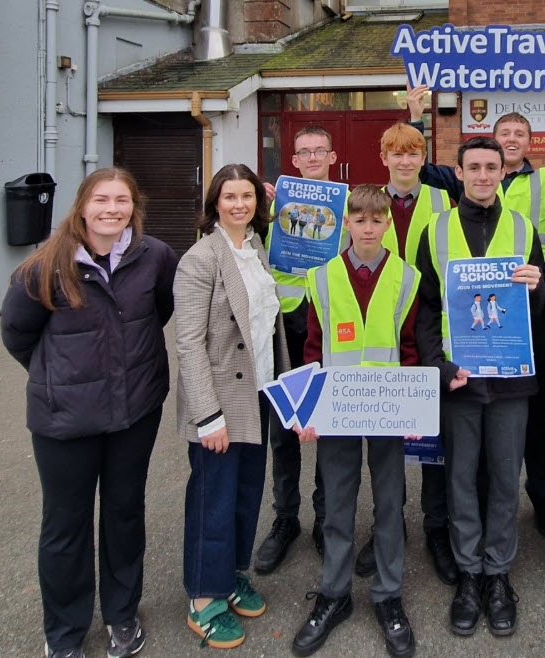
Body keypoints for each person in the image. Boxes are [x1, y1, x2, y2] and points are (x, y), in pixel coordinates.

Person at [1, 168, 177, 658]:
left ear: (134, 207)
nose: (112, 209)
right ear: (81, 206)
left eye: (122, 200)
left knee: (124, 515)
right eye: (101, 199)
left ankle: (122, 615)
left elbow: (159, 313)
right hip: (65, 420)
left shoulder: (155, 257)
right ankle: (64, 634)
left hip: (134, 413)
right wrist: (61, 378)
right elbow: (18, 336)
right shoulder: (43, 266)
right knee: (66, 526)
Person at [408, 83, 545, 540]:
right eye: (502, 131)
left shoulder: (544, 183)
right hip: (466, 348)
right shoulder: (464, 184)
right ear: (466, 169)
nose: (509, 140)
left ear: (527, 144)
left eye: (518, 133)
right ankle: (468, 528)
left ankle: (543, 503)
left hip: (526, 333)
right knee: (473, 448)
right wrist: (415, 118)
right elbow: (416, 167)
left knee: (533, 430)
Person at [414, 136, 544, 637]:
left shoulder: (523, 226)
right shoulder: (437, 228)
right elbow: (426, 307)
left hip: (511, 377)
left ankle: (497, 573)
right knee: (462, 478)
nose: (485, 175)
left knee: (505, 477)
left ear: (501, 171)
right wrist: (438, 366)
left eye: (493, 167)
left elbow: (541, 299)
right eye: (475, 167)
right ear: (460, 173)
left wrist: (540, 284)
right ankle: (470, 573)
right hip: (461, 378)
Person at [289, 186, 422, 658]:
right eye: (359, 220)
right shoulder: (322, 277)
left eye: (376, 219)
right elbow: (312, 347)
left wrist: (412, 407)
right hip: (338, 412)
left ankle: (388, 595)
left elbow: (409, 349)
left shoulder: (408, 277)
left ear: (389, 224)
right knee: (338, 504)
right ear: (346, 224)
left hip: (387, 409)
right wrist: (307, 410)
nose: (368, 227)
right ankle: (334, 593)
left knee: (389, 505)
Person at [175, 164, 289, 649]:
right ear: (215, 204)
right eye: (229, 197)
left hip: (258, 393)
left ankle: (232, 574)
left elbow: (266, 325)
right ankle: (204, 599)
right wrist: (207, 416)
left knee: (245, 494)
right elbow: (188, 344)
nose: (239, 204)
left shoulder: (255, 249)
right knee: (212, 502)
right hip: (219, 404)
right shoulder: (200, 259)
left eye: (247, 196)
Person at [350, 121, 458, 587]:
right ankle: (386, 527)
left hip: (428, 326)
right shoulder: (364, 202)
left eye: (414, 152)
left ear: (422, 157)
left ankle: (437, 527)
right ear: (384, 157)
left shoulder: (440, 200)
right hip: (382, 332)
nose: (406, 160)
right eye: (397, 153)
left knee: (432, 433)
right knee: (387, 437)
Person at [258, 125, 342, 573]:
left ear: (332, 155)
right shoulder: (272, 209)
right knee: (283, 427)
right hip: (284, 326)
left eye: (319, 150)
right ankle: (285, 519)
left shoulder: (346, 208)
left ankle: (326, 519)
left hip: (328, 322)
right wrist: (261, 206)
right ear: (293, 161)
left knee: (326, 425)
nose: (312, 157)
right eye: (304, 152)